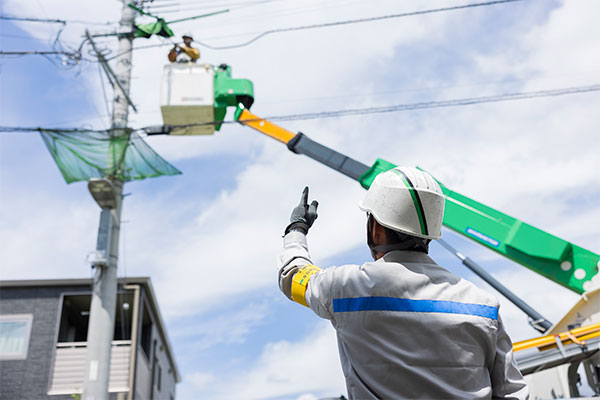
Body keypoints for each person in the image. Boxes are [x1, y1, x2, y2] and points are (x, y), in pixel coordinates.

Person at [277, 167, 528, 399]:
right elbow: (512, 393)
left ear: (375, 228)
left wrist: (296, 229)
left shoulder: (345, 289)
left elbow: (293, 276)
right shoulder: (482, 305)